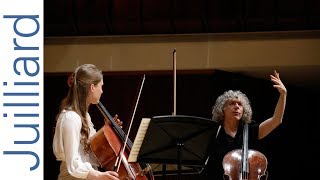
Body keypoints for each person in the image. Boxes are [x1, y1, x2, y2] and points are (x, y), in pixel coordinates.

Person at [200, 70, 287, 179]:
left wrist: (283, 95)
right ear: (222, 110)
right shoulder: (213, 133)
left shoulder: (250, 130)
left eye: (240, 104)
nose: (237, 107)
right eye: (232, 103)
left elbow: (276, 120)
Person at [52, 64, 122, 180]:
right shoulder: (70, 118)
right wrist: (99, 175)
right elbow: (73, 163)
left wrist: (106, 130)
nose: (102, 91)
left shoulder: (85, 116)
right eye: (101, 86)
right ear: (92, 87)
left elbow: (89, 147)